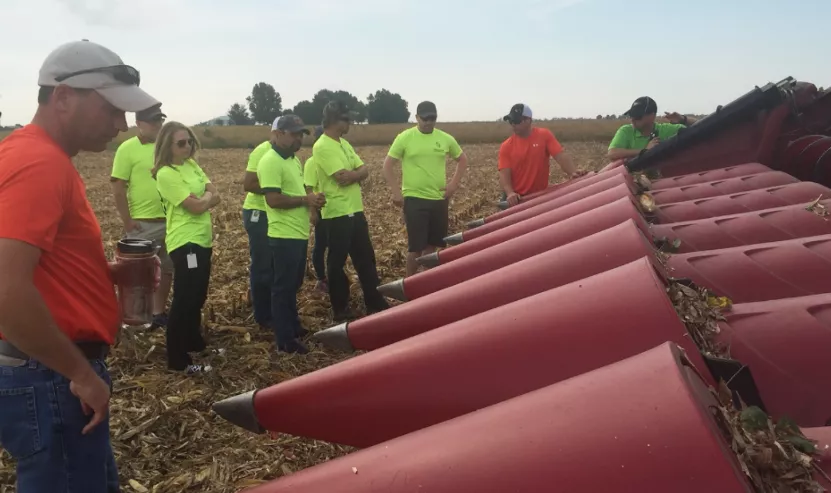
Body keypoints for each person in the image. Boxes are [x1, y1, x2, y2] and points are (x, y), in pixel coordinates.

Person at [0, 39, 160, 492]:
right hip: (50, 376)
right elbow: (6, 290)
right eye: (112, 109)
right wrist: (80, 374)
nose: (122, 124)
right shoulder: (38, 163)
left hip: (46, 372)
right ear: (63, 97)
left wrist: (107, 276)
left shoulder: (39, 156)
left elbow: (35, 271)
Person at [153, 121, 221, 375]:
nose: (187, 146)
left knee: (198, 295)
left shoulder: (192, 165)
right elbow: (196, 206)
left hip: (203, 238)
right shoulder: (166, 174)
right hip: (185, 241)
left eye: (189, 141)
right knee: (184, 298)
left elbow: (216, 194)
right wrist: (204, 200)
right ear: (167, 147)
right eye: (181, 143)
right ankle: (177, 358)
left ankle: (195, 342)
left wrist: (202, 200)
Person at [313, 100, 390, 322]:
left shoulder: (343, 144)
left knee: (366, 259)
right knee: (336, 263)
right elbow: (342, 178)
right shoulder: (323, 146)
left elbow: (362, 170)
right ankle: (340, 307)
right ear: (335, 121)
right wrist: (357, 175)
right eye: (347, 119)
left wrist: (356, 175)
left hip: (355, 210)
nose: (350, 123)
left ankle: (374, 301)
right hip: (337, 213)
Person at [258, 115, 326, 354]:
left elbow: (297, 193)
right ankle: (285, 339)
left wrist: (312, 204)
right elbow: (273, 200)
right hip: (283, 234)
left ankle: (293, 326)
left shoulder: (294, 160)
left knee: (293, 284)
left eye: (301, 134)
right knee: (283, 287)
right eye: (294, 134)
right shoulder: (270, 161)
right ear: (278, 134)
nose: (299, 138)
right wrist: (305, 200)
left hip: (297, 233)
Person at [382, 101, 468, 277]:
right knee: (416, 249)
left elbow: (462, 160)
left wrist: (453, 185)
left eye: (432, 118)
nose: (429, 122)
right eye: (425, 118)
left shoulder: (445, 138)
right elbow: (388, 165)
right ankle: (411, 286)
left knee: (432, 247)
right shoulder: (405, 138)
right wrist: (396, 193)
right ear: (417, 118)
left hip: (439, 199)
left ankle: (428, 286)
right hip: (414, 199)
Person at [110, 103, 173, 330]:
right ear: (139, 124)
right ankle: (135, 319)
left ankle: (158, 313)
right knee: (139, 275)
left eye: (160, 120)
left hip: (172, 221)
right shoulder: (127, 149)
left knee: (166, 269)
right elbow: (118, 187)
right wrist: (127, 221)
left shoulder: (167, 148)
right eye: (154, 121)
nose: (158, 124)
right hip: (143, 223)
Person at [498, 103, 583, 207]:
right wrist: (510, 193)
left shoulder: (544, 135)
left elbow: (560, 155)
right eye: (511, 121)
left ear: (528, 120)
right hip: (517, 198)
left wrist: (572, 172)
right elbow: (504, 173)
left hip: (539, 196)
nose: (513, 124)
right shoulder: (506, 146)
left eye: (516, 121)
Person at [241, 120, 280, 331]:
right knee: (263, 264)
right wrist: (276, 190)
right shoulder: (262, 151)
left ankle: (273, 308)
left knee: (274, 264)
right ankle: (263, 314)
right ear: (273, 133)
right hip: (258, 213)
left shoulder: (287, 155)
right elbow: (248, 184)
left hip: (275, 214)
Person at [607, 96, 699, 162]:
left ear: (652, 116)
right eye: (631, 116)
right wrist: (645, 151)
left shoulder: (667, 130)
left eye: (638, 117)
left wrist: (683, 119)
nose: (633, 120)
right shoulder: (626, 131)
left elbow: (702, 127)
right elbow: (612, 154)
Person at [304, 125, 330, 293]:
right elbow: (309, 189)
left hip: (337, 209)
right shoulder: (311, 162)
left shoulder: (333, 157)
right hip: (321, 209)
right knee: (320, 245)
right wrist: (313, 212)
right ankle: (321, 279)